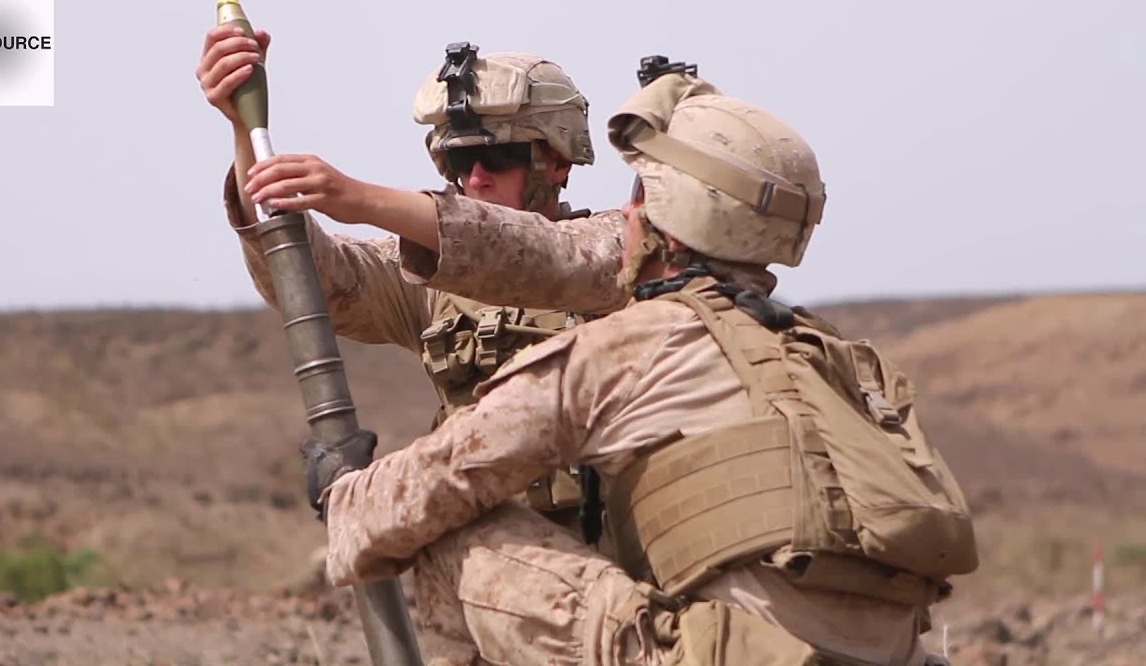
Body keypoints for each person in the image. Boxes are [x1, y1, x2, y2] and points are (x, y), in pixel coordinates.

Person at [302, 69, 978, 666]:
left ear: (665, 221)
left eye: (639, 199)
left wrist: (344, 492)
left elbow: (432, 484)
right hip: (871, 651)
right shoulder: (836, 359)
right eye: (457, 161)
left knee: (445, 523)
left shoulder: (623, 346)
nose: (624, 215)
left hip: (711, 646)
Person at [196, 33, 612, 548]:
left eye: (500, 156)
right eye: (459, 162)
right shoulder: (428, 273)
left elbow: (562, 255)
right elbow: (311, 279)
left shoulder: (619, 257)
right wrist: (245, 130)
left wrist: (360, 199)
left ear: (558, 161)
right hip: (483, 559)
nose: (476, 179)